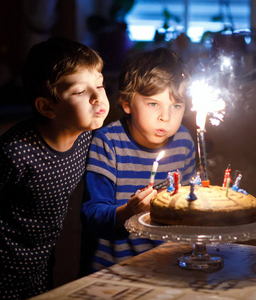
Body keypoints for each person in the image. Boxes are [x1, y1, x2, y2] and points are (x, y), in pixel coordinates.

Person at [0, 37, 109, 299]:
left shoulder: (86, 136)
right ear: (47, 106)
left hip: (39, 274)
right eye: (80, 92)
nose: (98, 97)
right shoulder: (14, 153)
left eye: (100, 85)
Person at [79, 47, 196, 275]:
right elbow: (92, 215)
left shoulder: (184, 141)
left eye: (176, 105)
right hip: (113, 272)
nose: (166, 117)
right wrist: (128, 212)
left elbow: (191, 205)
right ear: (127, 103)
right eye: (154, 104)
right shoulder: (109, 143)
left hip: (169, 267)